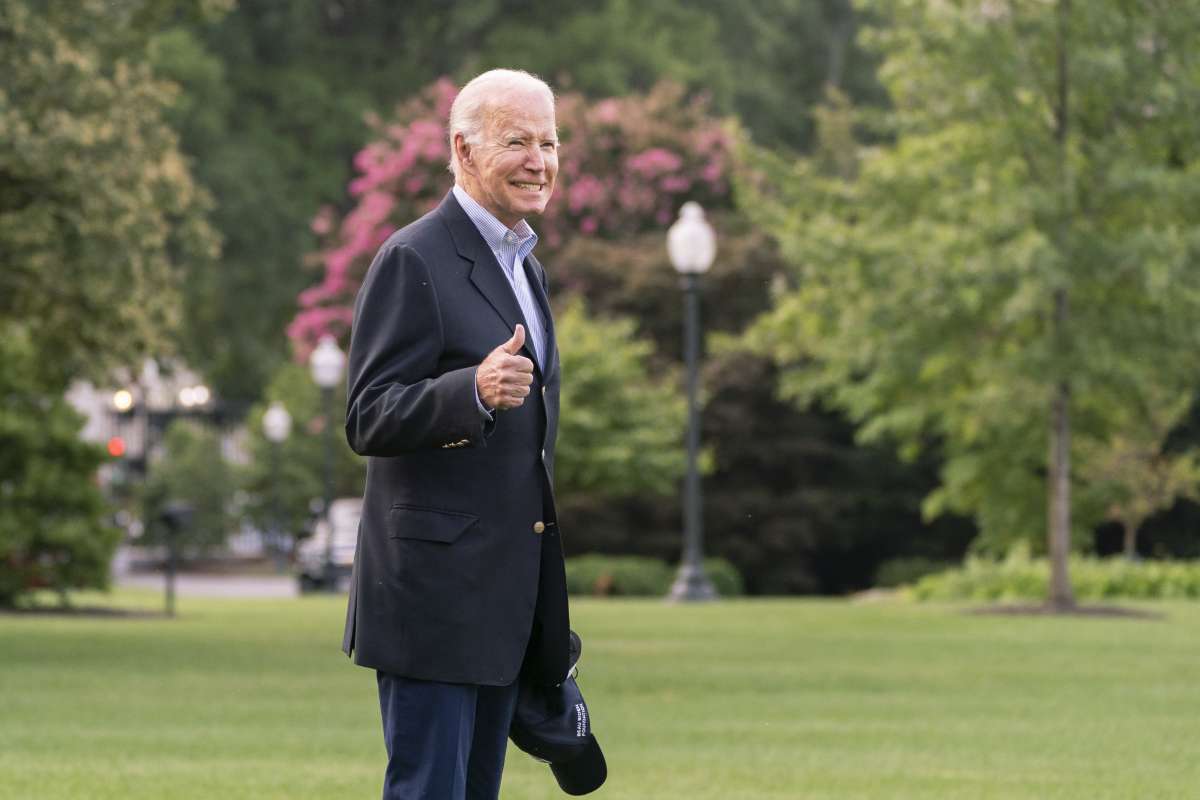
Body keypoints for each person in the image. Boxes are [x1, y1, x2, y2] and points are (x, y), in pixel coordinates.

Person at [341, 68, 570, 800]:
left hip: (503, 599)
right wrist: (468, 389)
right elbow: (368, 414)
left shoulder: (525, 268)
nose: (539, 160)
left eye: (550, 141)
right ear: (464, 151)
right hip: (433, 600)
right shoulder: (414, 257)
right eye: (517, 142)